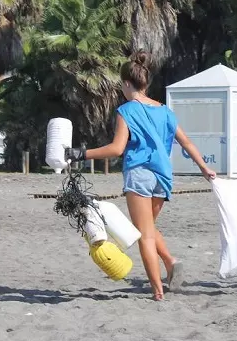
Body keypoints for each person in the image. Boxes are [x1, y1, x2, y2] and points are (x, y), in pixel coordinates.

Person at [65, 51, 216, 301]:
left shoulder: (126, 111)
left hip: (140, 174)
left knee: (144, 234)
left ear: (126, 83)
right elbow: (186, 141)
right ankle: (170, 261)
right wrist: (204, 167)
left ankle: (158, 290)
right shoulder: (166, 111)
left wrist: (81, 154)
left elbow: (116, 148)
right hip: (163, 177)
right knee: (147, 227)